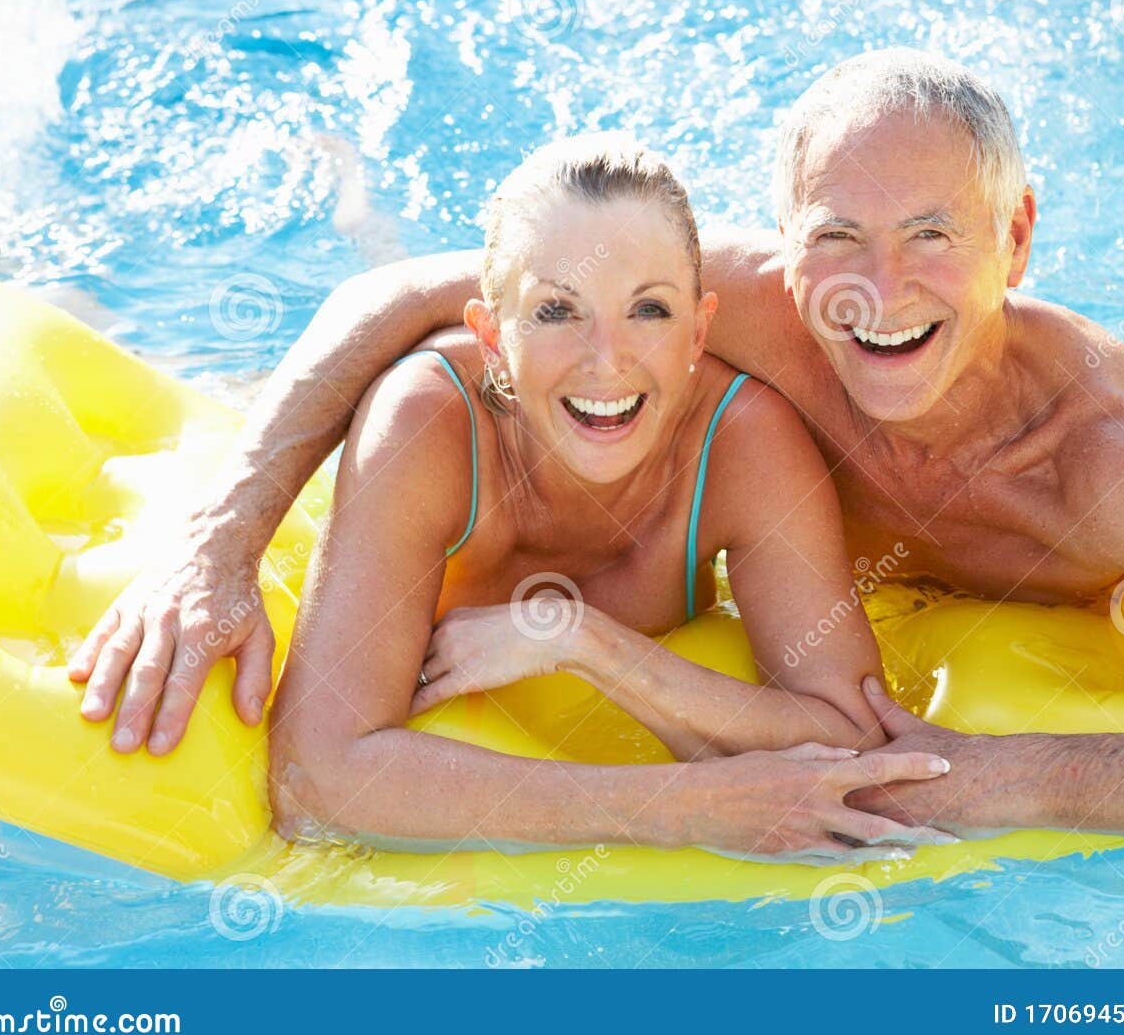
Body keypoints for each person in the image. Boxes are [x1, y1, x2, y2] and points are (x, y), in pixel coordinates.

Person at [70, 49, 1124, 841]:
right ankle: (326, 194)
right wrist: (217, 537)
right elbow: (412, 298)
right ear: (781, 250)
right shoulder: (749, 313)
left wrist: (1026, 773)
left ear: (1016, 237)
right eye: (838, 236)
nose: (880, 288)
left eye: (933, 238)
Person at [260, 133, 953, 861]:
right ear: (492, 337)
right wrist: (679, 808)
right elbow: (315, 777)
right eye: (558, 311)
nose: (607, 360)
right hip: (412, 423)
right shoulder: (423, 423)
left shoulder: (741, 440)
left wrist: (580, 639)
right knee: (376, 255)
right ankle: (354, 204)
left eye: (649, 310)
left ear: (699, 330)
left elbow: (855, 732)